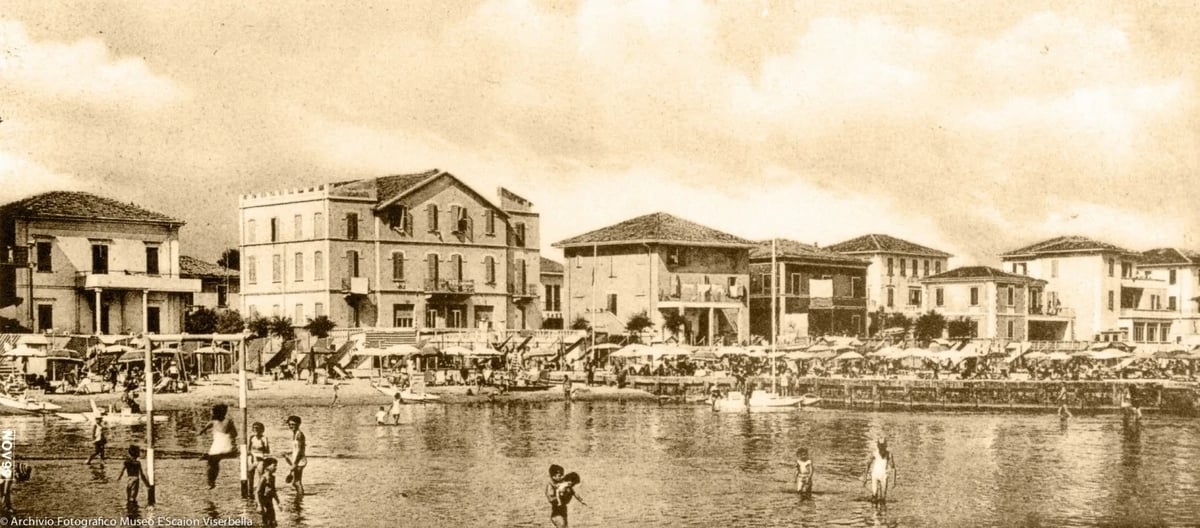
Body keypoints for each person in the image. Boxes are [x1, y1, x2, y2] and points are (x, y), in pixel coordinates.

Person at [198, 403, 238, 489]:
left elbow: (202, 430)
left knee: (212, 462)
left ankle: (211, 482)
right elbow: (235, 434)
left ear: (218, 413)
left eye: (213, 412)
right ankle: (211, 482)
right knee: (213, 463)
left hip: (221, 445)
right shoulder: (224, 421)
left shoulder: (217, 421)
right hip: (221, 444)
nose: (211, 414)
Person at [863, 439, 898, 504]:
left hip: (884, 476)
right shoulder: (874, 453)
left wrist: (894, 481)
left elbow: (893, 468)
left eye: (883, 446)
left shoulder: (889, 454)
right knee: (874, 497)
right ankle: (874, 512)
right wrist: (865, 478)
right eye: (880, 446)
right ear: (878, 446)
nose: (882, 448)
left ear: (885, 446)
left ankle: (883, 512)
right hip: (875, 475)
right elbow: (868, 465)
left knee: (883, 499)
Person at [283, 415, 307, 496]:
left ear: (298, 424)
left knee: (297, 482)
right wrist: (288, 453)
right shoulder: (295, 434)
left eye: (293, 424)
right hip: (297, 460)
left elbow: (300, 451)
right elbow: (296, 449)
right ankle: (299, 497)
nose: (291, 426)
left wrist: (295, 464)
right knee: (295, 482)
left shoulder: (299, 434)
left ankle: (300, 498)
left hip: (300, 461)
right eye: (289, 424)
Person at [247, 422, 271, 496]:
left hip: (261, 458)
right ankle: (250, 492)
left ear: (261, 430)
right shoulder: (251, 438)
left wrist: (262, 457)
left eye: (257, 428)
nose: (255, 429)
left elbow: (267, 451)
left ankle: (261, 491)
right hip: (252, 458)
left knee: (261, 476)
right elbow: (248, 450)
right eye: (254, 428)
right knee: (250, 476)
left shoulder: (264, 438)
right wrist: (251, 455)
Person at [257, 457, 281, 527]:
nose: (276, 467)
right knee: (265, 522)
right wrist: (259, 505)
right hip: (263, 502)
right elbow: (257, 492)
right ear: (267, 466)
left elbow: (273, 491)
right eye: (274, 465)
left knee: (273, 522)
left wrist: (278, 502)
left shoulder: (273, 478)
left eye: (276, 465)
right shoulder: (263, 478)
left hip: (269, 502)